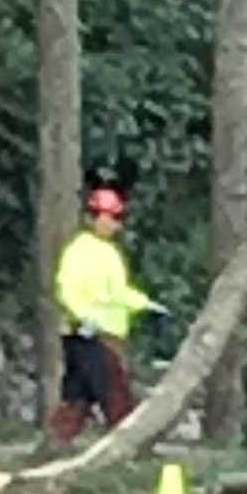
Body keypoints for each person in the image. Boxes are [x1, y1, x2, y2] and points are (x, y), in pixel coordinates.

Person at [49, 183, 156, 443]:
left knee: (78, 396)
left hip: (105, 335)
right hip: (91, 335)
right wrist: (82, 317)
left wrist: (145, 304)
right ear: (92, 217)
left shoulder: (109, 252)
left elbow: (117, 292)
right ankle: (128, 446)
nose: (115, 224)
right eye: (110, 217)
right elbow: (67, 289)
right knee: (115, 393)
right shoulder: (79, 251)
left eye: (118, 218)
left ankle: (55, 443)